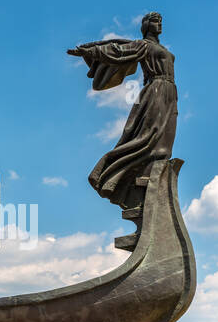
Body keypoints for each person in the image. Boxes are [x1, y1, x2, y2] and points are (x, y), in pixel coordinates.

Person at [68, 11, 177, 210]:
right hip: (156, 91)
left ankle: (152, 184)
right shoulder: (144, 45)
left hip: (170, 94)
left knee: (165, 146)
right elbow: (117, 51)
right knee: (149, 138)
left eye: (161, 20)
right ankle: (118, 176)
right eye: (154, 21)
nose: (159, 23)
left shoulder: (161, 47)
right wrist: (89, 51)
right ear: (145, 25)